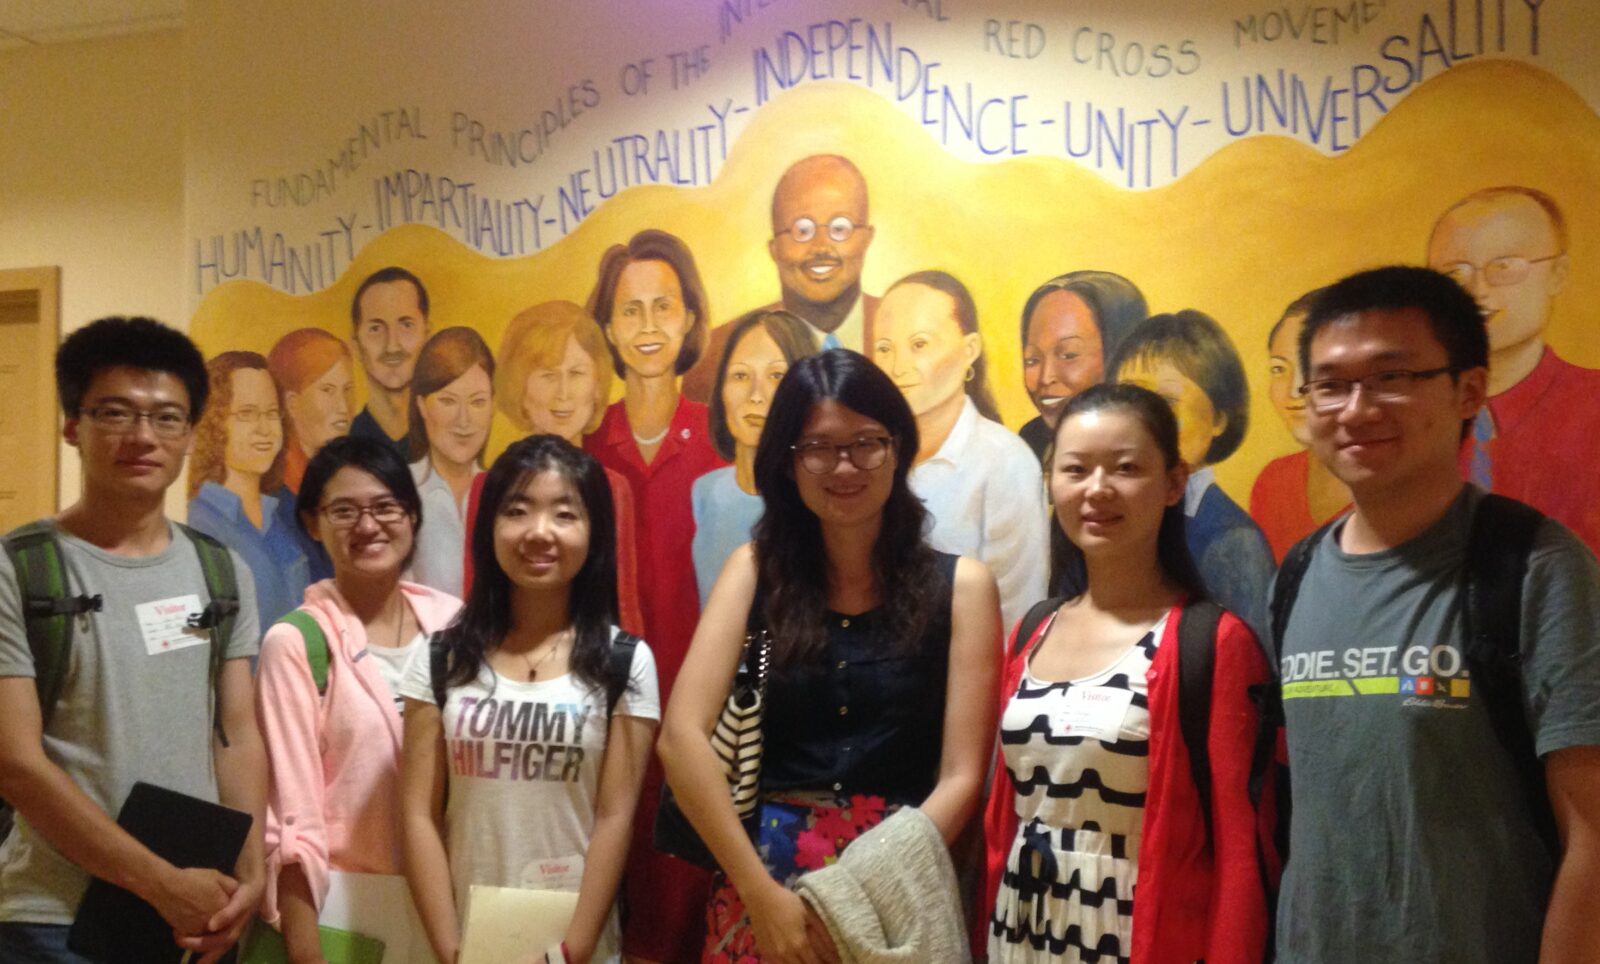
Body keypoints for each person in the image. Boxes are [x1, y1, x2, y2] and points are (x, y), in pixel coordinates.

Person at [1273, 266, 1600, 962]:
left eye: (1392, 377)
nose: (1357, 409)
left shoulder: (1535, 566)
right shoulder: (1296, 574)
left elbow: (1593, 839)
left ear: (1468, 390)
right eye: (1330, 384)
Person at [659, 348, 1000, 964]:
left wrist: (853, 891)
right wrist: (760, 894)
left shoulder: (963, 589)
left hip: (896, 889)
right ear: (788, 464)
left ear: (898, 448)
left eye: (866, 442)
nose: (844, 466)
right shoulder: (755, 577)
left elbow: (962, 777)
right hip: (766, 894)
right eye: (818, 447)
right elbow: (682, 738)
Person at [981, 382, 1277, 963]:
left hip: (1132, 937)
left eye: (1125, 468)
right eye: (1074, 469)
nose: (1097, 490)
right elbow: (1006, 820)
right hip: (1020, 934)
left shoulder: (1210, 643)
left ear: (1173, 483)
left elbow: (1244, 855)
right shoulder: (1033, 630)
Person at [0, 317, 265, 963]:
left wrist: (252, 872)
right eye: (115, 412)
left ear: (190, 434)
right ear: (73, 426)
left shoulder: (220, 570)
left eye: (167, 417)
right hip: (53, 921)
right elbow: (16, 763)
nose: (143, 436)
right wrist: (161, 884)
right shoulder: (21, 567)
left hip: (196, 917)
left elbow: (236, 734)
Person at [399, 436, 659, 964]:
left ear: (594, 533)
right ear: (490, 526)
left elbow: (615, 817)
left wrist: (574, 949)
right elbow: (418, 814)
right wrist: (452, 948)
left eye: (565, 514)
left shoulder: (625, 661)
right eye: (517, 511)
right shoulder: (438, 658)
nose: (540, 532)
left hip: (575, 947)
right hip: (467, 942)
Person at [255, 435, 461, 963]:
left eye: (385, 506)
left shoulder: (457, 630)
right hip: (351, 916)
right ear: (313, 524)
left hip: (454, 908)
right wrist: (306, 951)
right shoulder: (298, 644)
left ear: (412, 515)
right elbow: (292, 819)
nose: (367, 526)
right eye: (343, 511)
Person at [583, 229, 724, 964]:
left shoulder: (721, 442)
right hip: (602, 714)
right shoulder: (582, 445)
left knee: (688, 906)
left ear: (689, 318)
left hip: (701, 717)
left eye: (662, 307)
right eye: (628, 310)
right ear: (606, 326)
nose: (646, 327)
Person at [1426, 186, 1600, 555]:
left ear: (1557, 274)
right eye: (1454, 274)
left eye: (1503, 267)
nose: (1477, 291)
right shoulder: (1410, 412)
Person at [871, 269, 1048, 629]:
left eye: (919, 345)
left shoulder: (1005, 462)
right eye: (884, 349)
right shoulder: (867, 456)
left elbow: (1016, 613)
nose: (897, 367)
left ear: (970, 351)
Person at [464, 301, 642, 634]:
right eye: (547, 375)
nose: (563, 394)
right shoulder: (488, 485)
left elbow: (623, 601)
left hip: (590, 657)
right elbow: (478, 591)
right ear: (520, 385)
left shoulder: (612, 486)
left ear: (596, 385)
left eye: (576, 374)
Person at [1110, 311, 1274, 639]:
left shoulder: (1233, 542)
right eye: (1133, 398)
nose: (1148, 419)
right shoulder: (1112, 519)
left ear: (1220, 418)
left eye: (1167, 401)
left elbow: (1251, 671)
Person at [682, 154, 878, 402]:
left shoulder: (909, 334)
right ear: (774, 248)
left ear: (866, 238)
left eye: (839, 228)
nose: (820, 246)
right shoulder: (715, 357)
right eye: (801, 230)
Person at [691, 309, 815, 605]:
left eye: (776, 376)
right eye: (741, 376)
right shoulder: (704, 493)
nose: (756, 395)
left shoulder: (820, 498)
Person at [186, 350, 310, 630]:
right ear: (213, 421)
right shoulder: (198, 523)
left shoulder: (277, 517)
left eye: (271, 413)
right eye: (247, 414)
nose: (265, 429)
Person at [1248, 289, 1349, 561]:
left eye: (1311, 366)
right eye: (1279, 369)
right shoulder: (1273, 483)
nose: (1294, 390)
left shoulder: (1394, 482)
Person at [1015, 271, 1147, 461]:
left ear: (1121, 357)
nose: (1046, 377)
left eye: (1068, 355)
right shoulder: (1032, 442)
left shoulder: (1149, 449)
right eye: (1032, 360)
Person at [405, 327, 494, 599]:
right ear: (422, 405)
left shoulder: (505, 493)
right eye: (448, 401)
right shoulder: (398, 492)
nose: (464, 420)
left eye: (478, 402)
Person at [267, 327, 357, 582]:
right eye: (327, 390)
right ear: (292, 403)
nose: (343, 407)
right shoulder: (273, 503)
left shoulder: (347, 485)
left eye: (348, 389)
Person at [349, 267, 431, 449]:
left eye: (406, 325)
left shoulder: (448, 439)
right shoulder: (344, 445)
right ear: (356, 345)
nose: (392, 346)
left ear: (426, 337)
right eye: (376, 329)